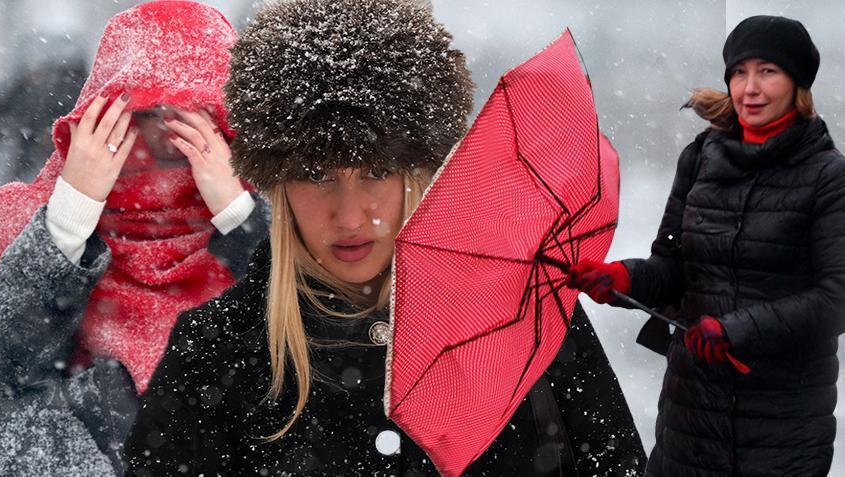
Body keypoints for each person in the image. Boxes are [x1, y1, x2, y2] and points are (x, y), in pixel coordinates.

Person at [124, 0, 646, 475]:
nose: (350, 216)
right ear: (279, 187)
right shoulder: (217, 348)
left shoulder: (519, 309)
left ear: (415, 175)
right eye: (316, 174)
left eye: (375, 171)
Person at [0, 2, 270, 475]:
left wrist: (240, 215)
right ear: (107, 114)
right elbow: (2, 376)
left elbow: (313, 343)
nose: (173, 132)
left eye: (196, 110)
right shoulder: (20, 219)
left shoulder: (293, 217)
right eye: (152, 110)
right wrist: (71, 214)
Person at [568, 15, 845, 477]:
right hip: (689, 423)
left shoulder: (828, 177)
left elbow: (837, 299)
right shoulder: (701, 158)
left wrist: (738, 329)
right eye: (739, 72)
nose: (750, 88)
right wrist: (622, 277)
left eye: (767, 71)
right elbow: (673, 267)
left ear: (798, 84)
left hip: (781, 431)